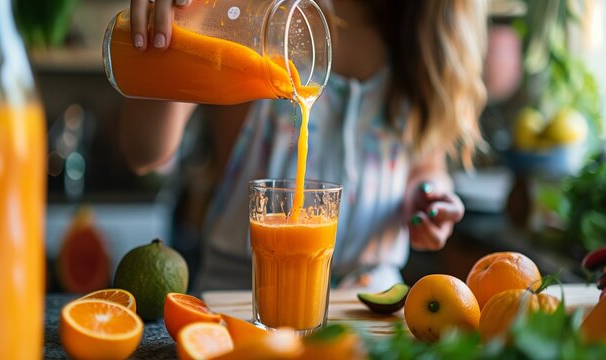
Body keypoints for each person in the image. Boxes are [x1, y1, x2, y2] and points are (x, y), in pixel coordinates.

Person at [119, 0, 488, 291]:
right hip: (242, 295)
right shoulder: (251, 12)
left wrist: (428, 195)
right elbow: (144, 152)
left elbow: (425, 163)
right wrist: (166, 35)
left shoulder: (421, 31)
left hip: (369, 297)